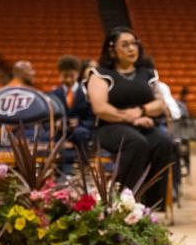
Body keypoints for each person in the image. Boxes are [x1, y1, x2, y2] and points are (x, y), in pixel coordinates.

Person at [87, 26, 174, 208]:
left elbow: (160, 104)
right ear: (112, 50)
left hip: (143, 123)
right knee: (136, 143)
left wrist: (142, 111)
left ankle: (153, 204)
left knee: (164, 142)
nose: (132, 49)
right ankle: (123, 201)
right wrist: (132, 119)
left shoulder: (147, 73)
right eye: (125, 45)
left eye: (134, 44)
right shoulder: (100, 75)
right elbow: (100, 108)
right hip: (110, 127)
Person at [50, 55, 93, 152]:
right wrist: (56, 124)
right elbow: (47, 120)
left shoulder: (87, 94)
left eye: (72, 76)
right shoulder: (53, 95)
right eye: (65, 76)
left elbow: (92, 120)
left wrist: (79, 122)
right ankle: (55, 166)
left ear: (78, 74)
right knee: (50, 136)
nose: (68, 79)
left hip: (81, 131)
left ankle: (84, 165)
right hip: (59, 133)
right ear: (60, 74)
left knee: (81, 133)